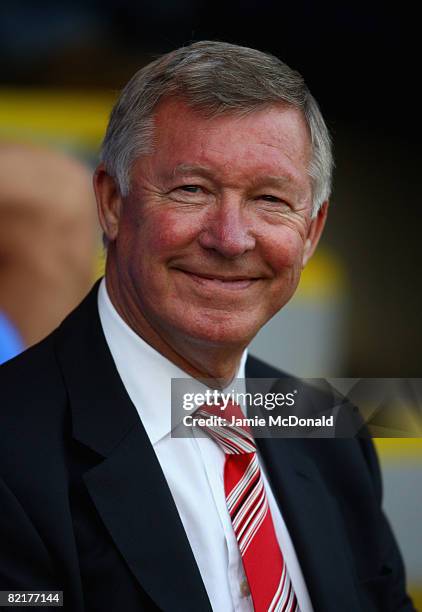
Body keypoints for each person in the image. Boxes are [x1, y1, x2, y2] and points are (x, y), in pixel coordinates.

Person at [0, 41, 414, 612]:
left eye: (270, 199)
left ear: (312, 231)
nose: (230, 237)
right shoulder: (12, 452)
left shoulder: (328, 427)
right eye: (192, 190)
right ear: (113, 203)